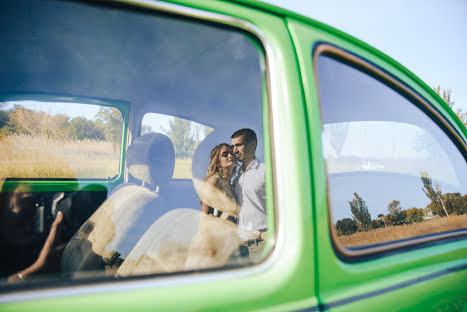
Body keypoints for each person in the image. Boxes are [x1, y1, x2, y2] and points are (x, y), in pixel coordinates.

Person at [184, 143, 241, 270]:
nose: (230, 155)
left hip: (227, 240)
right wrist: (208, 244)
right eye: (224, 154)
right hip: (212, 240)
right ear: (218, 162)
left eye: (231, 153)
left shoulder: (231, 184)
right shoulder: (214, 180)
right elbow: (204, 216)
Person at [231, 128, 266, 262]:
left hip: (261, 245)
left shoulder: (266, 172)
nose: (234, 151)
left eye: (239, 145)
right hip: (239, 248)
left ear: (253, 145)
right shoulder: (235, 178)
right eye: (233, 146)